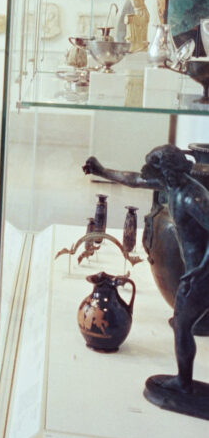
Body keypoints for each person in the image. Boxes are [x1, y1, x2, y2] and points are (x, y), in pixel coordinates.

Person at [83, 145, 209, 406]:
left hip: (202, 274)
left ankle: (184, 384)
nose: (156, 177)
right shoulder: (172, 185)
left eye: (159, 171)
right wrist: (102, 170)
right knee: (182, 325)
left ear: (170, 170)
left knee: (183, 326)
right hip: (197, 273)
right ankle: (184, 382)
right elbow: (134, 179)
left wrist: (199, 272)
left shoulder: (192, 197)